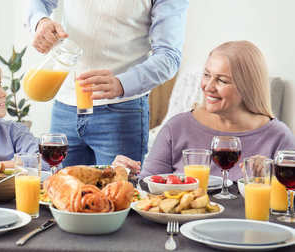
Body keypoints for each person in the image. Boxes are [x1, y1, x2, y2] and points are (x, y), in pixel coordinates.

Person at [24, 0, 192, 167]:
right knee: (60, 196)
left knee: (118, 197)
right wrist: (40, 22)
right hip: (64, 107)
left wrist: (122, 83)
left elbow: (169, 55)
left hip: (120, 113)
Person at [113, 41, 295, 181]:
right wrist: (125, 177)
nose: (208, 87)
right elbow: (148, 185)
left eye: (222, 80)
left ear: (247, 88)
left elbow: (288, 202)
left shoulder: (278, 136)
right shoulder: (177, 127)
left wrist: (269, 181)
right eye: (207, 75)